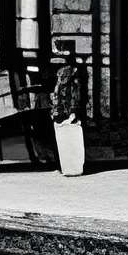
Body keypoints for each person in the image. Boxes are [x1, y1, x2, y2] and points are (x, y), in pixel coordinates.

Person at [49, 46, 88, 177]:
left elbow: (59, 96)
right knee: (73, 141)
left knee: (63, 141)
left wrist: (56, 111)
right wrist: (74, 112)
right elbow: (75, 96)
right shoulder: (73, 75)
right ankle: (73, 167)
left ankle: (66, 167)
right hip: (69, 112)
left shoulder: (61, 77)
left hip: (62, 113)